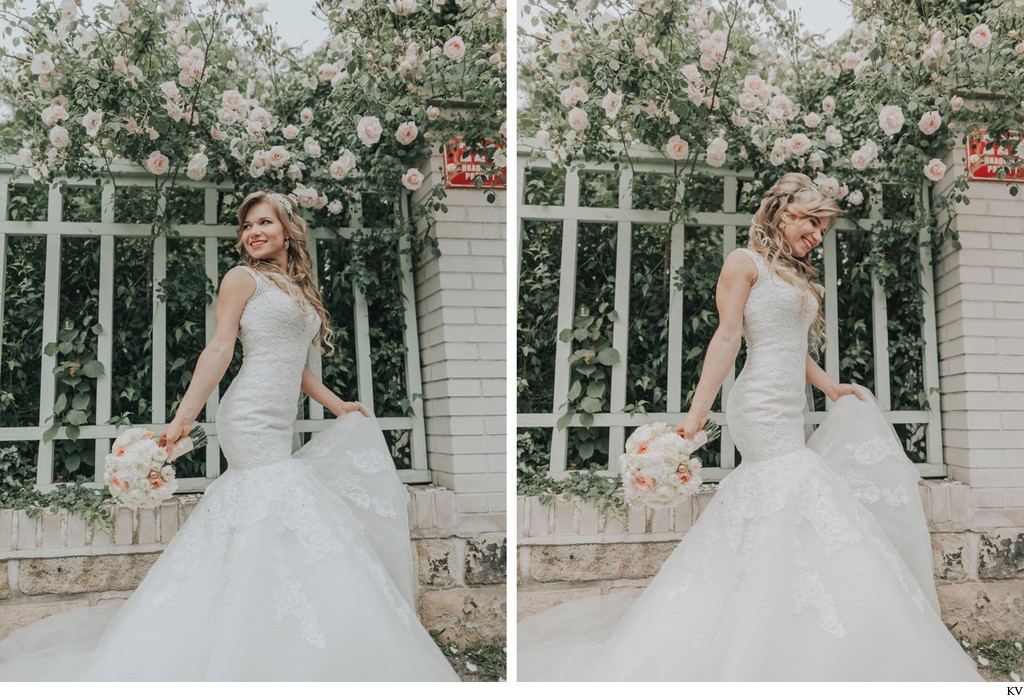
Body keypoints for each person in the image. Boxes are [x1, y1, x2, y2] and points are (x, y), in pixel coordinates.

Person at [518, 173, 982, 681]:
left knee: (785, 506)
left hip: (789, 404)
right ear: (781, 212)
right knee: (797, 485)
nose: (818, 234)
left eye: (823, 226)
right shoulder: (744, 263)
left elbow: (793, 346)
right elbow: (728, 337)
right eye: (811, 221)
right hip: (759, 405)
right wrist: (694, 422)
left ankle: (782, 624)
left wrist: (831, 388)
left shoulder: (797, 276)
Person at [0, 192, 459, 681]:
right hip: (248, 416)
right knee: (281, 501)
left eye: (263, 222)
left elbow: (295, 364)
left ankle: (270, 633)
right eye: (246, 226)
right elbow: (219, 349)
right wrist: (182, 419)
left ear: (287, 229)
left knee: (274, 516)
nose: (253, 232)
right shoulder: (243, 279)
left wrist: (337, 405)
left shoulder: (297, 285)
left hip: (278, 417)